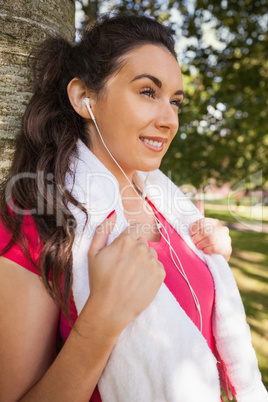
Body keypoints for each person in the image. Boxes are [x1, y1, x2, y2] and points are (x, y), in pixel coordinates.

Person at [0, 12, 266, 402]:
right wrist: (101, 320)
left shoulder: (171, 208)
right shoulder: (37, 222)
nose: (169, 119)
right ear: (83, 98)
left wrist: (210, 256)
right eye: (147, 92)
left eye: (175, 101)